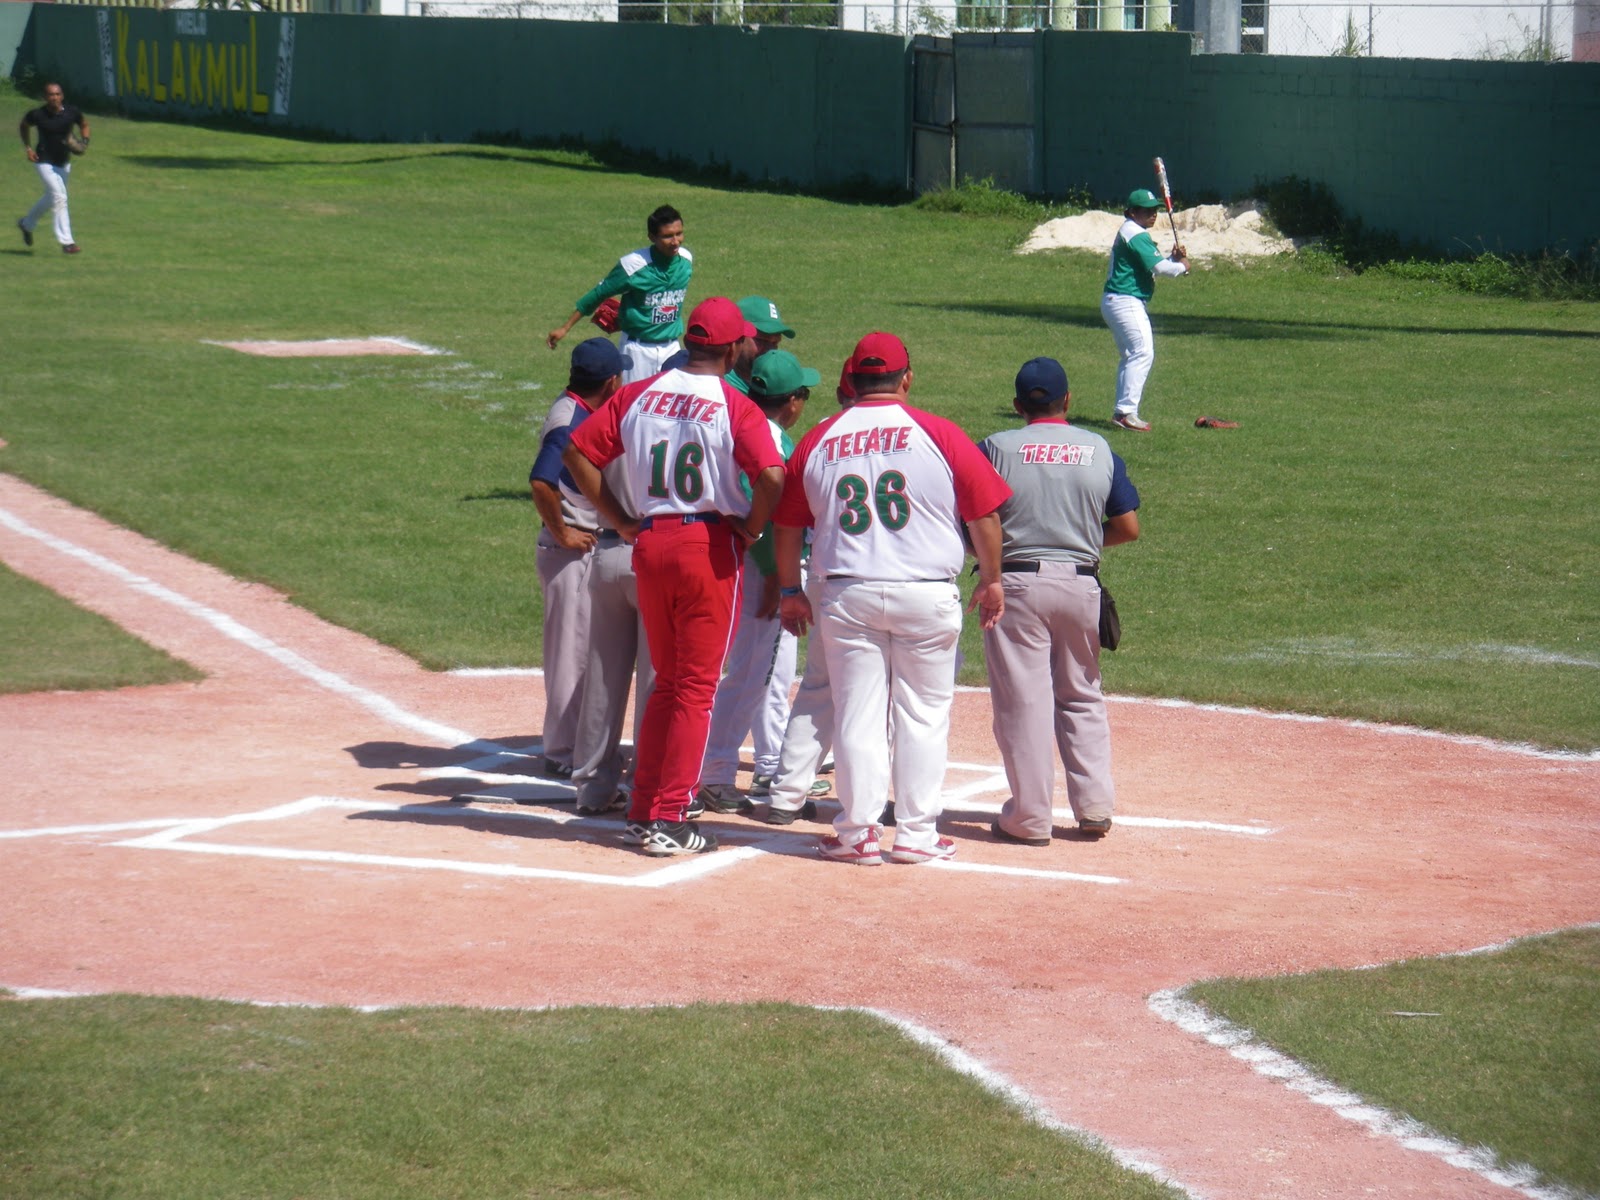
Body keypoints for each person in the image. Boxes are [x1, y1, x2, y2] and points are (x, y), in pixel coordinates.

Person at [774, 332, 1011, 866]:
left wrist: (791, 590)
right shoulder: (941, 434)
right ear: (906, 378)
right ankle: (916, 835)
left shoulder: (818, 439)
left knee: (857, 713)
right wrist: (992, 577)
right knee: (923, 715)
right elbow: (986, 515)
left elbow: (787, 528)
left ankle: (857, 834)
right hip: (926, 595)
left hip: (846, 594)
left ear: (852, 380)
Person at [564, 297, 785, 856]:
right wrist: (752, 529)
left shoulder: (640, 393)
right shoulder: (735, 405)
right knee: (694, 688)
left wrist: (616, 517)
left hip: (651, 542)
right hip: (706, 545)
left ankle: (644, 807)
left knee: (666, 681)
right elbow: (774, 477)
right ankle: (670, 814)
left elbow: (577, 452)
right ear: (733, 348)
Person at [980, 357, 1140, 843]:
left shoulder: (995, 448)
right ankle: (1094, 807)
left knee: (1023, 703)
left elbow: (972, 522)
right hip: (1080, 585)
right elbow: (1128, 528)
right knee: (1082, 694)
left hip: (1016, 585)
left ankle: (1029, 819)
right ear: (1067, 401)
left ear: (1016, 405)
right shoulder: (1099, 448)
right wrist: (1084, 544)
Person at [696, 348, 819, 814]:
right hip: (760, 570)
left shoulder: (742, 423)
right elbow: (764, 510)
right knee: (751, 675)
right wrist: (778, 578)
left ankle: (722, 770)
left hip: (741, 563)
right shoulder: (769, 439)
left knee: (752, 674)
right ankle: (716, 773)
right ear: (792, 402)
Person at [752, 355, 858, 827]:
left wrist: (789, 581)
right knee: (883, 698)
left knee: (815, 685)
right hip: (879, 581)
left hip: (825, 579)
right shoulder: (918, 433)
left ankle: (784, 783)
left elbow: (788, 518)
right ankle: (778, 769)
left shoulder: (817, 439)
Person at [527, 338, 629, 779]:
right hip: (568, 555)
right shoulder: (567, 421)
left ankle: (578, 746)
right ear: (610, 381)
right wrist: (561, 531)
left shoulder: (581, 410)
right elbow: (540, 483)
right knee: (571, 656)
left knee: (585, 653)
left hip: (583, 549)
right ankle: (563, 751)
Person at [547, 205, 691, 384]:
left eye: (679, 233)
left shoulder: (686, 261)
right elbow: (598, 294)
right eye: (668, 236)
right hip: (637, 351)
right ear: (652, 237)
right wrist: (565, 327)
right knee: (631, 405)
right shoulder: (633, 265)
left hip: (672, 348)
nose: (675, 241)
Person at [1101, 188, 1189, 432]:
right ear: (1132, 212)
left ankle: (1123, 412)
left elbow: (1154, 265)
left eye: (1155, 209)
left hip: (1117, 301)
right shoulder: (1135, 234)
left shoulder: (1132, 232)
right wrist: (1181, 266)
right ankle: (1126, 413)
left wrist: (1173, 260)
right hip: (1125, 301)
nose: (1153, 214)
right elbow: (1161, 269)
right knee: (1142, 353)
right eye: (1147, 210)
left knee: (1133, 355)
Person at [17, 82, 90, 255]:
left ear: (62, 96)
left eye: (57, 94)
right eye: (50, 95)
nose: (54, 98)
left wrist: (85, 141)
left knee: (51, 198)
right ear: (45, 97)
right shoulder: (38, 114)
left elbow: (84, 124)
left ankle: (26, 224)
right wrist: (28, 148)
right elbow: (24, 126)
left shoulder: (72, 112)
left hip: (64, 163)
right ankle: (67, 242)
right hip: (44, 161)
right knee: (60, 197)